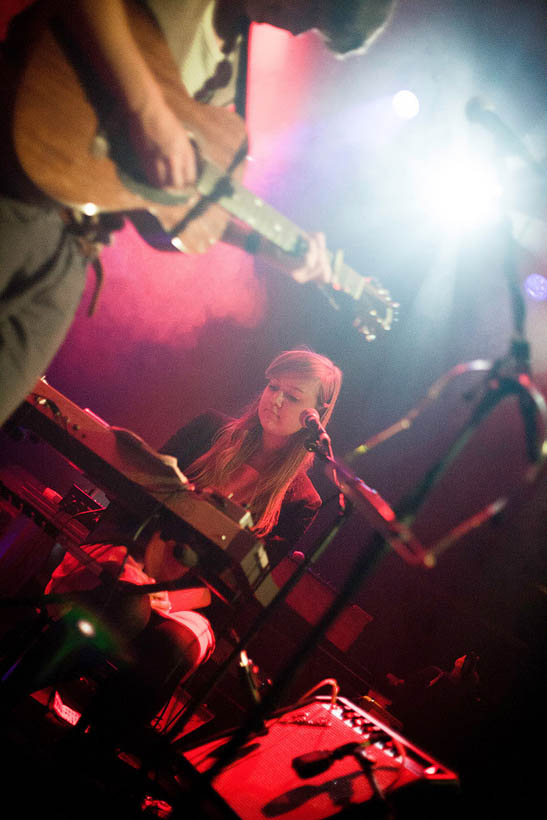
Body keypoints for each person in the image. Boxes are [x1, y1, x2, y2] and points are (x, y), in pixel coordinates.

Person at [0, 0, 395, 427]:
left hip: (76, 245)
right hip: (14, 183)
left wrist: (260, 246)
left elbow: (165, 207)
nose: (299, 31)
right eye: (311, 12)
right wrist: (148, 112)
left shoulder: (231, 72)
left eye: (314, 29)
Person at [2, 349, 343, 744]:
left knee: (170, 650)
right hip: (129, 554)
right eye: (272, 386)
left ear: (316, 415)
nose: (276, 399)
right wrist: (129, 562)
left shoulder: (303, 501)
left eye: (294, 395)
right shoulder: (210, 428)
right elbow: (132, 494)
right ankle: (12, 691)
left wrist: (171, 599)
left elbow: (239, 588)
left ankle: (90, 754)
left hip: (191, 601)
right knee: (127, 606)